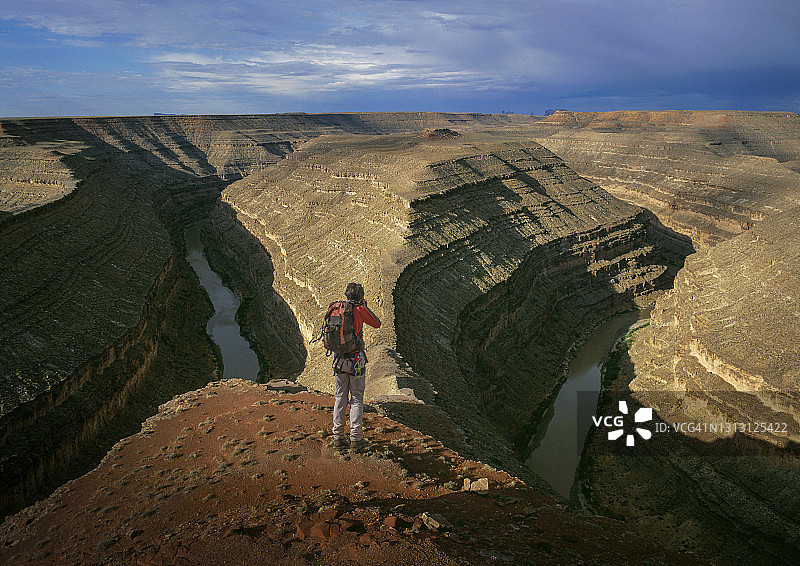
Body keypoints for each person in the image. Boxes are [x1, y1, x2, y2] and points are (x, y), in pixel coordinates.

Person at [332, 282, 381, 451]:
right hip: (355, 361)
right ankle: (356, 438)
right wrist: (365, 306)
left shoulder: (338, 309)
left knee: (340, 397)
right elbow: (377, 323)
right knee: (357, 399)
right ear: (361, 296)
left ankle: (338, 437)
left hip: (339, 360)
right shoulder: (360, 310)